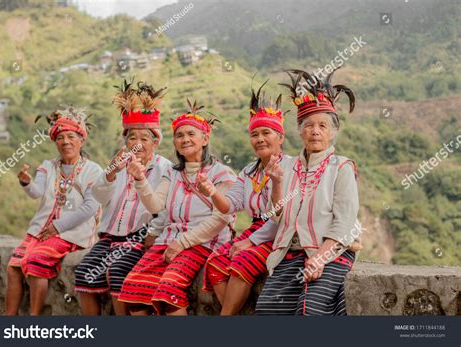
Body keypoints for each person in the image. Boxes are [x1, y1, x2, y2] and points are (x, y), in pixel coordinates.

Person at [256, 68, 362, 315]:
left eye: (323, 126)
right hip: (290, 253)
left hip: (331, 251)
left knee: (309, 309)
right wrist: (277, 183)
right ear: (300, 131)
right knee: (267, 310)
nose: (315, 131)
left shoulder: (342, 167)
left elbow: (345, 222)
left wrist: (319, 258)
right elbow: (277, 216)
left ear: (332, 132)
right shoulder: (285, 165)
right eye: (309, 125)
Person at [118, 99, 236, 315]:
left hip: (204, 243)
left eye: (191, 134)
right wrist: (140, 180)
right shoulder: (171, 172)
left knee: (169, 288)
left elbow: (221, 219)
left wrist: (182, 243)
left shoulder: (222, 174)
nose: (185, 139)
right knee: (133, 288)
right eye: (179, 135)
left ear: (205, 139)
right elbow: (156, 204)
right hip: (168, 240)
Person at [74, 80, 172, 315]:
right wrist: (111, 172)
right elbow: (99, 196)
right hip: (109, 237)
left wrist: (153, 232)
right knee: (84, 273)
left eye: (144, 139)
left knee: (118, 272)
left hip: (138, 238)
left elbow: (165, 208)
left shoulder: (164, 168)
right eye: (131, 138)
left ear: (155, 142)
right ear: (125, 141)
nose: (137, 144)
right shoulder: (117, 165)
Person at [198, 81, 289, 315]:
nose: (259, 139)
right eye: (254, 134)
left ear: (281, 137)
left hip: (279, 232)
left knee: (241, 262)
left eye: (266, 133)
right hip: (254, 230)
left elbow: (282, 213)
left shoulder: (291, 167)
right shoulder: (249, 171)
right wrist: (213, 192)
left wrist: (250, 241)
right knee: (216, 262)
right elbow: (228, 206)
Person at [6, 106, 102, 315]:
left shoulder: (93, 170)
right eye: (60, 138)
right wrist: (26, 183)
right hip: (41, 230)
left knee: (36, 261)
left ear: (81, 140)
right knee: (13, 267)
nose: (65, 142)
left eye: (70, 137)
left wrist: (58, 228)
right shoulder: (48, 166)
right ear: (54, 141)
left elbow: (90, 207)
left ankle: (34, 319)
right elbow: (36, 192)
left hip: (72, 233)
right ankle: (8, 320)